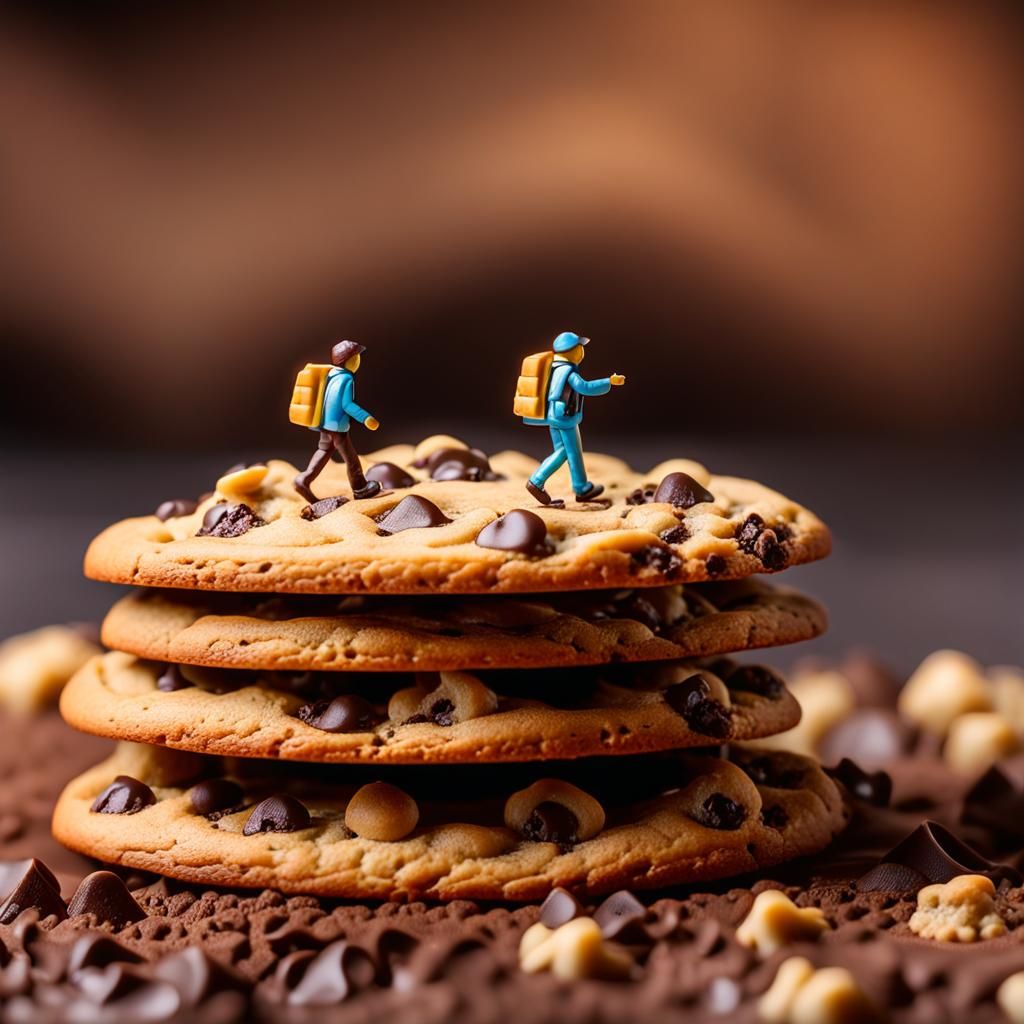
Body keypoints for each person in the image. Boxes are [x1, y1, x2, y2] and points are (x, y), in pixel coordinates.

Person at [523, 331, 625, 505]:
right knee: (569, 452)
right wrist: (609, 381)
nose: (582, 352)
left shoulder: (554, 368)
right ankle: (538, 481)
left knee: (566, 451)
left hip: (554, 415)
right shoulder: (567, 371)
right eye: (580, 347)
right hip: (565, 417)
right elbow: (585, 387)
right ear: (572, 350)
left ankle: (580, 486)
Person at [293, 340, 382, 502]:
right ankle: (361, 489)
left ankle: (303, 479)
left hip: (324, 423)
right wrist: (366, 418)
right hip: (337, 426)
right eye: (356, 358)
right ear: (349, 360)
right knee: (351, 459)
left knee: (324, 451)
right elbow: (347, 405)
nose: (358, 361)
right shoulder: (346, 378)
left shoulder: (330, 374)